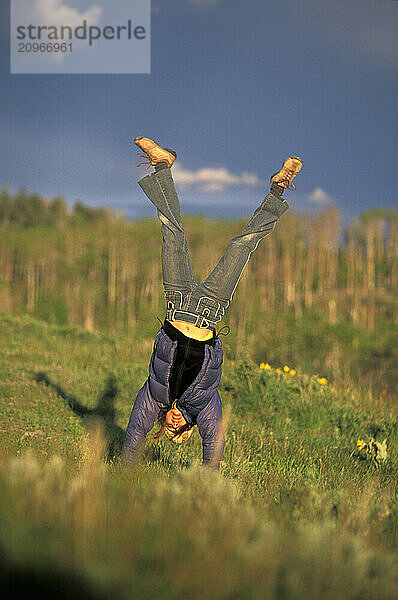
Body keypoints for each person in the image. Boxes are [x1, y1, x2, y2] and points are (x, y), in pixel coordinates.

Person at [122, 136, 302, 468]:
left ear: (163, 423)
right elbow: (214, 444)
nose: (176, 425)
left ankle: (162, 164)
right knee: (242, 245)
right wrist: (207, 491)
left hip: (175, 301)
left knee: (171, 231)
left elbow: (134, 434)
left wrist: (121, 477)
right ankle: (278, 188)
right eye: (182, 430)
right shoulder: (204, 405)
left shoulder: (154, 396)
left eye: (170, 429)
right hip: (209, 310)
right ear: (190, 425)